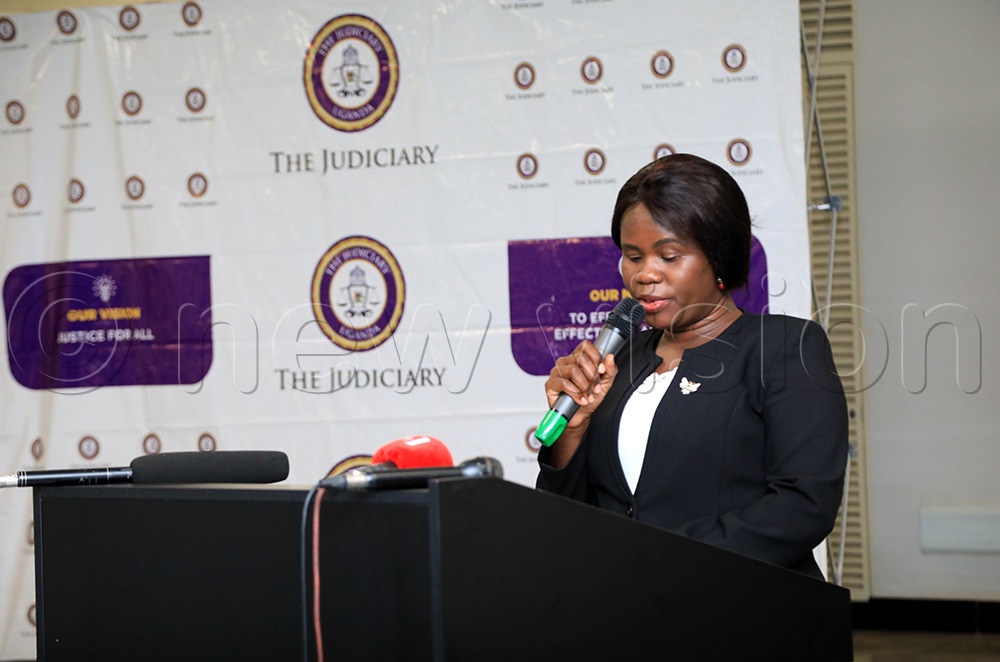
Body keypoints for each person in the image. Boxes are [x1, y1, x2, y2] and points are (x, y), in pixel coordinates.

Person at [536, 153, 848, 580]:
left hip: (738, 604)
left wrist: (656, 558)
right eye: (633, 256)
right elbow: (569, 515)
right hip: (622, 606)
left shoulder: (784, 348)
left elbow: (803, 506)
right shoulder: (620, 358)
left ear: (719, 257)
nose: (645, 275)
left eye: (668, 256)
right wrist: (572, 432)